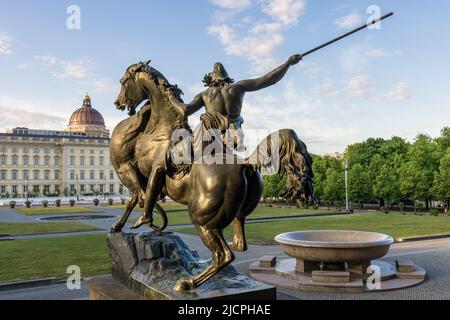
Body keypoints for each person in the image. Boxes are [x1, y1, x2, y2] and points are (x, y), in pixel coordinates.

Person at [168, 54, 303, 156]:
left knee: (174, 155)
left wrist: (171, 97)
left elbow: (184, 110)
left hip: (208, 138)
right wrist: (288, 63)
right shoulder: (238, 87)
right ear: (226, 77)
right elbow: (268, 80)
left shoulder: (205, 94)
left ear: (211, 79)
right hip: (234, 138)